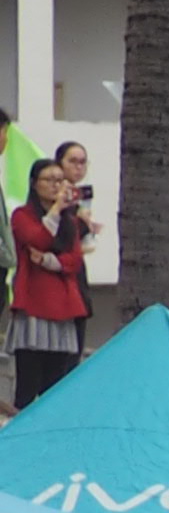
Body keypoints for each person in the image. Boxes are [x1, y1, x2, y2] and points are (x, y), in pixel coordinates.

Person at [11, 140, 91, 405]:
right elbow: (38, 238)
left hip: (64, 305)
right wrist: (55, 210)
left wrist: (48, 261)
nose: (56, 186)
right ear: (34, 184)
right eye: (49, 180)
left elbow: (75, 260)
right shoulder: (22, 215)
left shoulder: (70, 221)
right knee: (28, 383)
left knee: (56, 385)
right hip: (34, 305)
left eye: (59, 180)